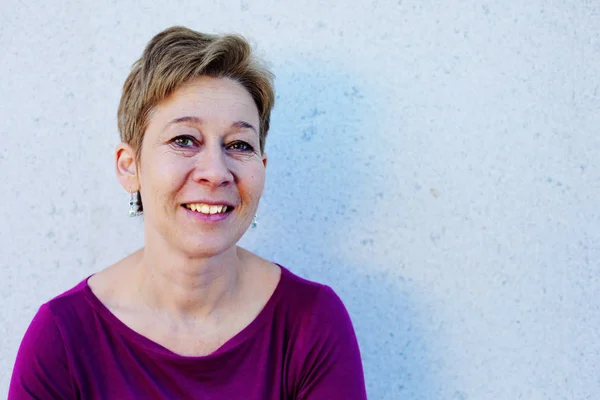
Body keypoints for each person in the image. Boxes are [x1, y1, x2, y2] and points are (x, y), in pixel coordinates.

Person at [9, 26, 367, 399]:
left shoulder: (311, 322)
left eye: (239, 145)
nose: (215, 171)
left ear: (261, 166)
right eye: (184, 140)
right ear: (130, 166)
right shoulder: (64, 338)